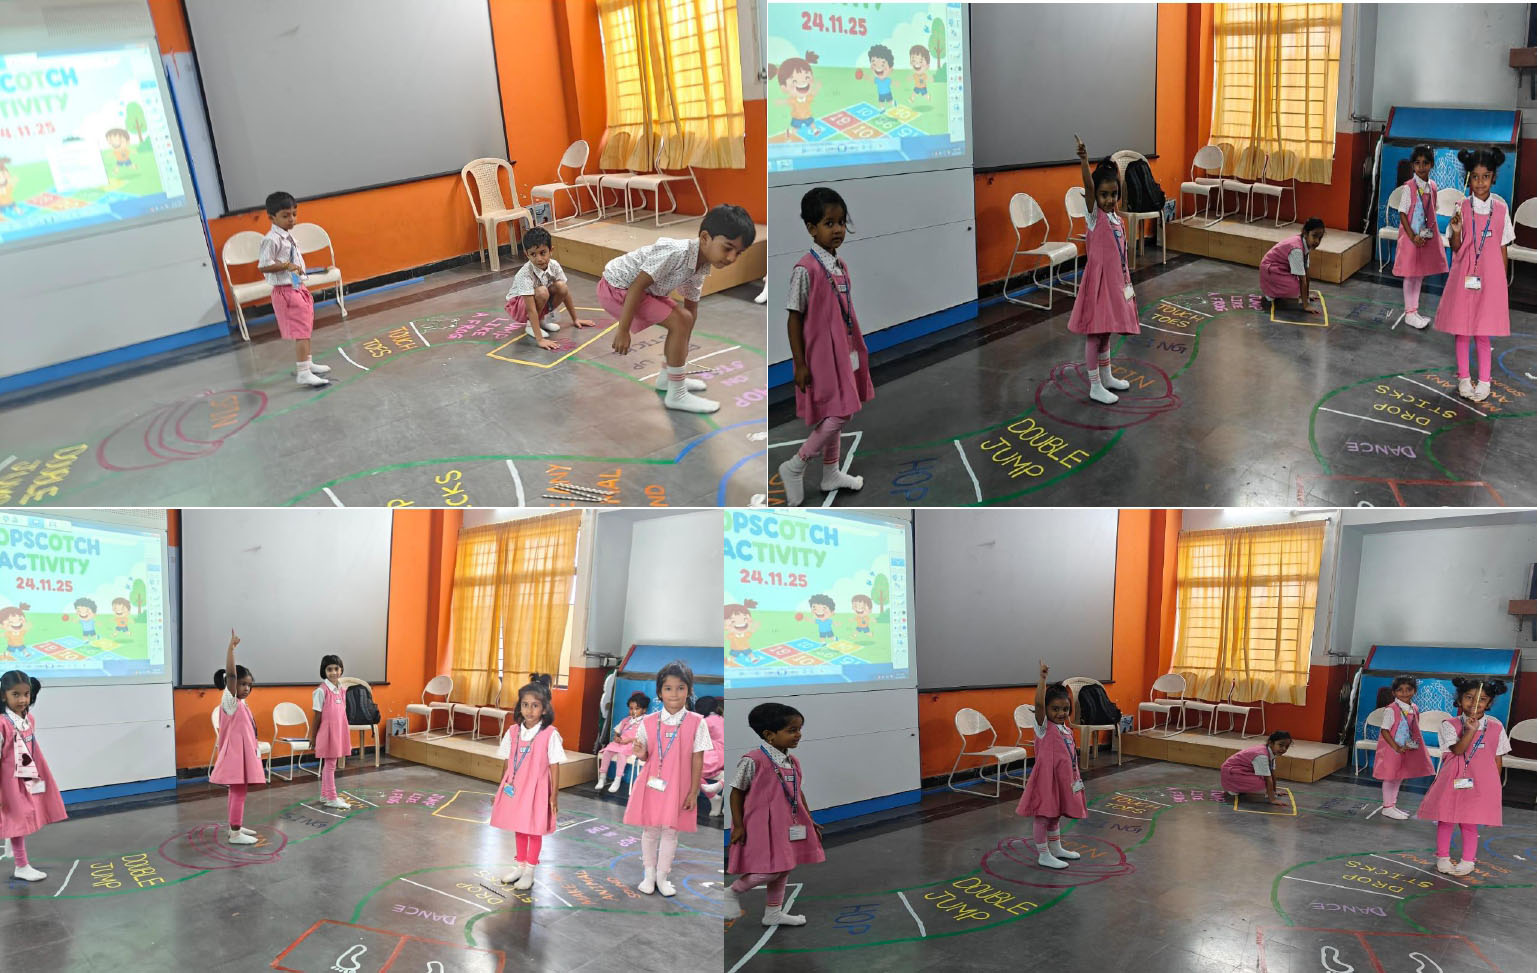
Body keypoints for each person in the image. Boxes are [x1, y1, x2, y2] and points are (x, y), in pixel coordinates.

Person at [600, 205, 756, 414]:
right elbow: (636, 286)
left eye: (739, 253)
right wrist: (623, 330)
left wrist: (682, 344)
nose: (731, 258)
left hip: (642, 291)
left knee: (684, 320)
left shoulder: (701, 265)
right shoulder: (676, 253)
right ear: (705, 238)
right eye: (728, 248)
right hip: (617, 288)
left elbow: (691, 309)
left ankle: (670, 379)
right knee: (680, 320)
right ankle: (677, 394)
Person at [778, 186, 873, 506]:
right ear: (811, 228)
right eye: (829, 223)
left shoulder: (839, 264)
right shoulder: (805, 269)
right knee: (841, 412)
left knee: (839, 408)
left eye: (841, 222)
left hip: (843, 350)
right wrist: (800, 364)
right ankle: (796, 464)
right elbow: (794, 318)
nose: (837, 229)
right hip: (821, 356)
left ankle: (830, 472)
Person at [725, 702, 824, 925]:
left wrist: (809, 819)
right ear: (769, 735)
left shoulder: (792, 761)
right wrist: (738, 825)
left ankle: (773, 913)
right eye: (792, 730)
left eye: (799, 729)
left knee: (786, 866)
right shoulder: (753, 760)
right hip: (762, 826)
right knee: (770, 870)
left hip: (786, 824)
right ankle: (731, 892)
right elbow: (736, 792)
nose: (798, 735)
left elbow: (797, 792)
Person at [1433, 148, 1514, 403]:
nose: (1480, 183)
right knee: (1462, 329)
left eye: (1485, 177)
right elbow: (1456, 247)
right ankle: (1464, 378)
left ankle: (1485, 381)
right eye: (1475, 177)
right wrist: (1456, 230)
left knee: (1483, 330)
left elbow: (1503, 247)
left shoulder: (1500, 209)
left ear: (1493, 178)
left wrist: (1502, 282)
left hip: (1489, 280)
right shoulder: (1462, 207)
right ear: (1469, 178)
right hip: (1464, 277)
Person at [1067, 137, 1141, 405]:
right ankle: (1095, 385)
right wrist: (1084, 160)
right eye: (1103, 195)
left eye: (1113, 194)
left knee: (1106, 331)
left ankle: (1107, 376)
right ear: (1095, 197)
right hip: (1098, 285)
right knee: (1095, 333)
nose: (1109, 200)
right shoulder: (1094, 217)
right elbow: (1088, 186)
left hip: (1115, 284)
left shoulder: (1115, 218)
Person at [1415, 677, 1509, 875]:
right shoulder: (1449, 724)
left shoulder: (1496, 727)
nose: (1475, 703)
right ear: (1459, 699)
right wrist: (1470, 732)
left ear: (1489, 703)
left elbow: (1497, 758)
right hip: (1453, 779)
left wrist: (1494, 786)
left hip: (1479, 782)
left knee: (1470, 821)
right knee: (1446, 819)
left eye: (1482, 699)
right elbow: (1458, 750)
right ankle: (1442, 857)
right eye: (1469, 697)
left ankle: (1468, 860)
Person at [489, 675, 565, 891]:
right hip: (515, 789)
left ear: (544, 709)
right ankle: (520, 866)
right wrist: (502, 788)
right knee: (519, 828)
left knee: (534, 830)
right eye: (525, 705)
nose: (529, 710)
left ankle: (530, 871)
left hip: (536, 790)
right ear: (519, 706)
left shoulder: (549, 734)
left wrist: (554, 795)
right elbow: (507, 761)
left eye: (535, 705)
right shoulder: (512, 732)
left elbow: (554, 766)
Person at [1014, 661, 1088, 869]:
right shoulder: (1043, 727)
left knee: (1055, 814)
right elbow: (1038, 704)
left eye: (1065, 709)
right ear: (1045, 710)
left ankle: (1056, 848)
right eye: (1055, 709)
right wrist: (1042, 679)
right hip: (1046, 780)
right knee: (1043, 815)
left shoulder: (1066, 729)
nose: (1061, 713)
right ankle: (1043, 854)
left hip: (1063, 780)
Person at [257, 192, 333, 388]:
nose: (291, 219)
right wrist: (286, 266)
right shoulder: (271, 239)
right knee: (301, 332)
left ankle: (307, 363)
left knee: (305, 329)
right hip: (286, 291)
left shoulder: (287, 235)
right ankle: (303, 373)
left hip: (297, 287)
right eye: (285, 215)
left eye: (294, 214)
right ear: (271, 217)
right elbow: (264, 265)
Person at [0, 670, 67, 881]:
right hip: (8, 784)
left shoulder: (29, 719)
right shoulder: (2, 724)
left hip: (24, 779)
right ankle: (20, 863)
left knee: (19, 821)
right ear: (3, 696)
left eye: (26, 694)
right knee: (15, 820)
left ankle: (21, 865)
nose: (22, 700)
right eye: (15, 694)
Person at [209, 631, 267, 845]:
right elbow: (232, 675)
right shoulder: (230, 700)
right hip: (235, 757)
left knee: (237, 792)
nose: (246, 688)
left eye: (249, 685)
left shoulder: (242, 703)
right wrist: (230, 649)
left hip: (242, 755)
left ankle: (236, 825)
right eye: (242, 684)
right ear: (231, 685)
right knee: (239, 792)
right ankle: (235, 833)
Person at [1392, 145, 1448, 330]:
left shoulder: (1433, 187)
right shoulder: (1409, 187)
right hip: (1411, 238)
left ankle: (1414, 310)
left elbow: (1431, 210)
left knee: (1419, 274)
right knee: (1410, 274)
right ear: (1413, 165)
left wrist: (1425, 235)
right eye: (1417, 163)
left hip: (1424, 238)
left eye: (1425, 163)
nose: (1421, 167)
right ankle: (1409, 313)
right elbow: (1402, 213)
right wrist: (1412, 236)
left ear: (1431, 164)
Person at [1372, 676, 1435, 820]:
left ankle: (1392, 805)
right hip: (1392, 748)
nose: (1405, 693)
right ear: (1394, 692)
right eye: (1400, 690)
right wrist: (1395, 747)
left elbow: (1413, 728)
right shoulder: (1391, 709)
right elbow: (1384, 731)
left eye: (1409, 689)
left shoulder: (1414, 708)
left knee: (1399, 776)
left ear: (1415, 691)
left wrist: (1412, 745)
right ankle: (1387, 807)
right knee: (1390, 777)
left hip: (1404, 748)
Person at [308, 654, 352, 811]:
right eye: (329, 669)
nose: (333, 672)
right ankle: (332, 798)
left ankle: (325, 795)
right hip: (328, 733)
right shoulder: (321, 691)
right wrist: (313, 736)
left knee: (330, 764)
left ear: (341, 670)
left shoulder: (342, 690)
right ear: (324, 671)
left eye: (336, 669)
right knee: (331, 765)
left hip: (339, 731)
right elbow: (317, 716)